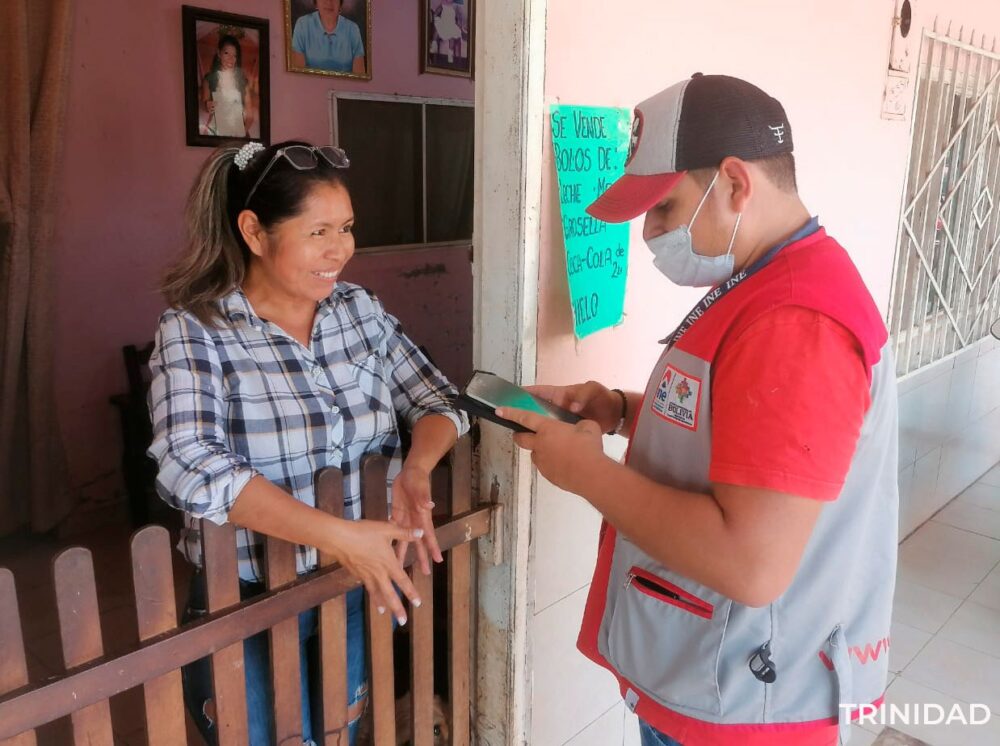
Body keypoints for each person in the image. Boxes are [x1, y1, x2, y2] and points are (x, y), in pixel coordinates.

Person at [498, 74, 898, 746]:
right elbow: (742, 427)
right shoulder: (765, 278)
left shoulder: (796, 318)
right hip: (713, 679)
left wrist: (587, 473)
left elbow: (751, 563)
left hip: (747, 701)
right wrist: (619, 409)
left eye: (664, 209)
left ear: (737, 183)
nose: (651, 234)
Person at [148, 139, 467, 745]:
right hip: (243, 599)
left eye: (345, 228)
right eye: (318, 231)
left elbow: (440, 400)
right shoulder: (196, 329)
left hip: (348, 588)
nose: (340, 250)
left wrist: (418, 467)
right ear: (253, 231)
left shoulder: (358, 312)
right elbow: (187, 462)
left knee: (337, 734)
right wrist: (341, 537)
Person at [200, 34, 256, 138]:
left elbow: (250, 115)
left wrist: (242, 133)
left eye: (234, 55)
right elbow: (204, 104)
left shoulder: (243, 82)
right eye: (226, 53)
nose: (231, 59)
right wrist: (207, 105)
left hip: (239, 134)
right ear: (219, 53)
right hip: (215, 133)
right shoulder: (209, 79)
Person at [291, 0, 365, 75]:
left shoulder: (353, 28)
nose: (329, 2)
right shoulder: (302, 25)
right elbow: (298, 74)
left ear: (340, 3)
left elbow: (360, 75)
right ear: (316, 2)